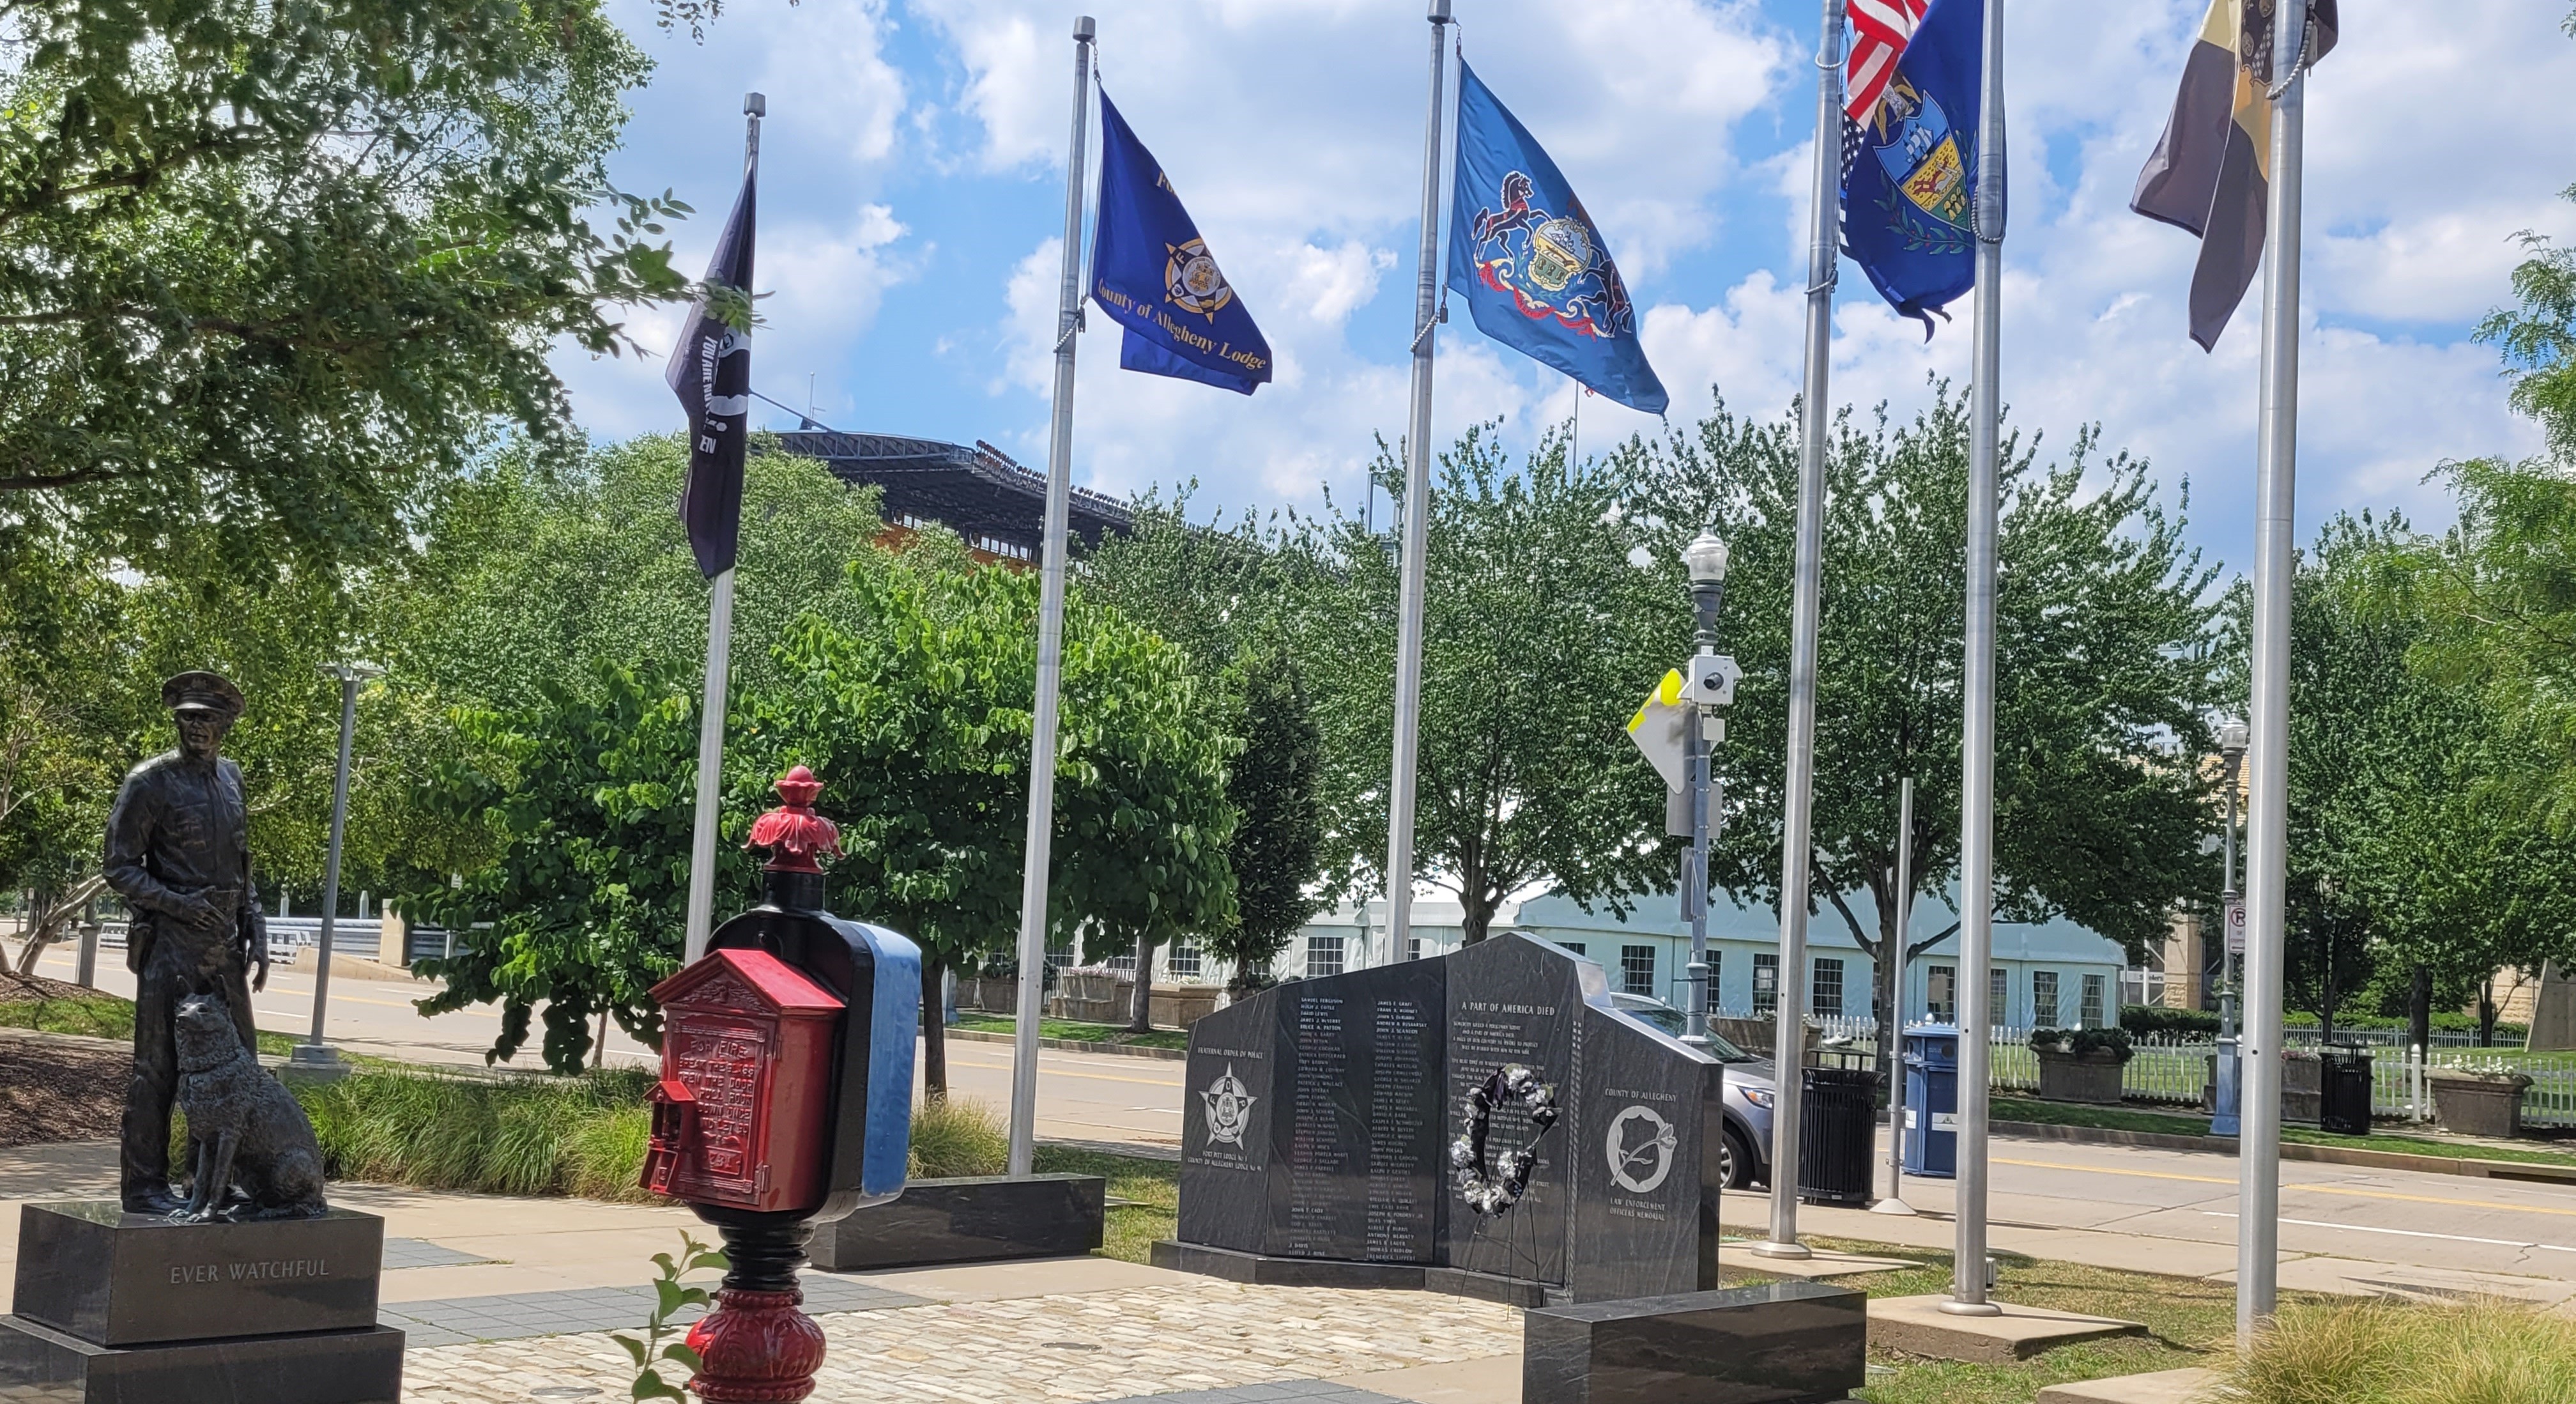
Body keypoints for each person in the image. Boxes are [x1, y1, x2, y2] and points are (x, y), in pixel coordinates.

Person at [101, 671, 270, 1214]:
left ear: (226, 724)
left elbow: (243, 864)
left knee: (238, 1060)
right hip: (171, 941)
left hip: (223, 943)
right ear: (177, 720)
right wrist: (177, 904)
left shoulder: (233, 779)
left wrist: (256, 923)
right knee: (159, 1068)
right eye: (188, 716)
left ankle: (211, 1182)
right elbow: (119, 866)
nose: (197, 725)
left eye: (208, 716)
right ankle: (144, 1185)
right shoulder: (149, 781)